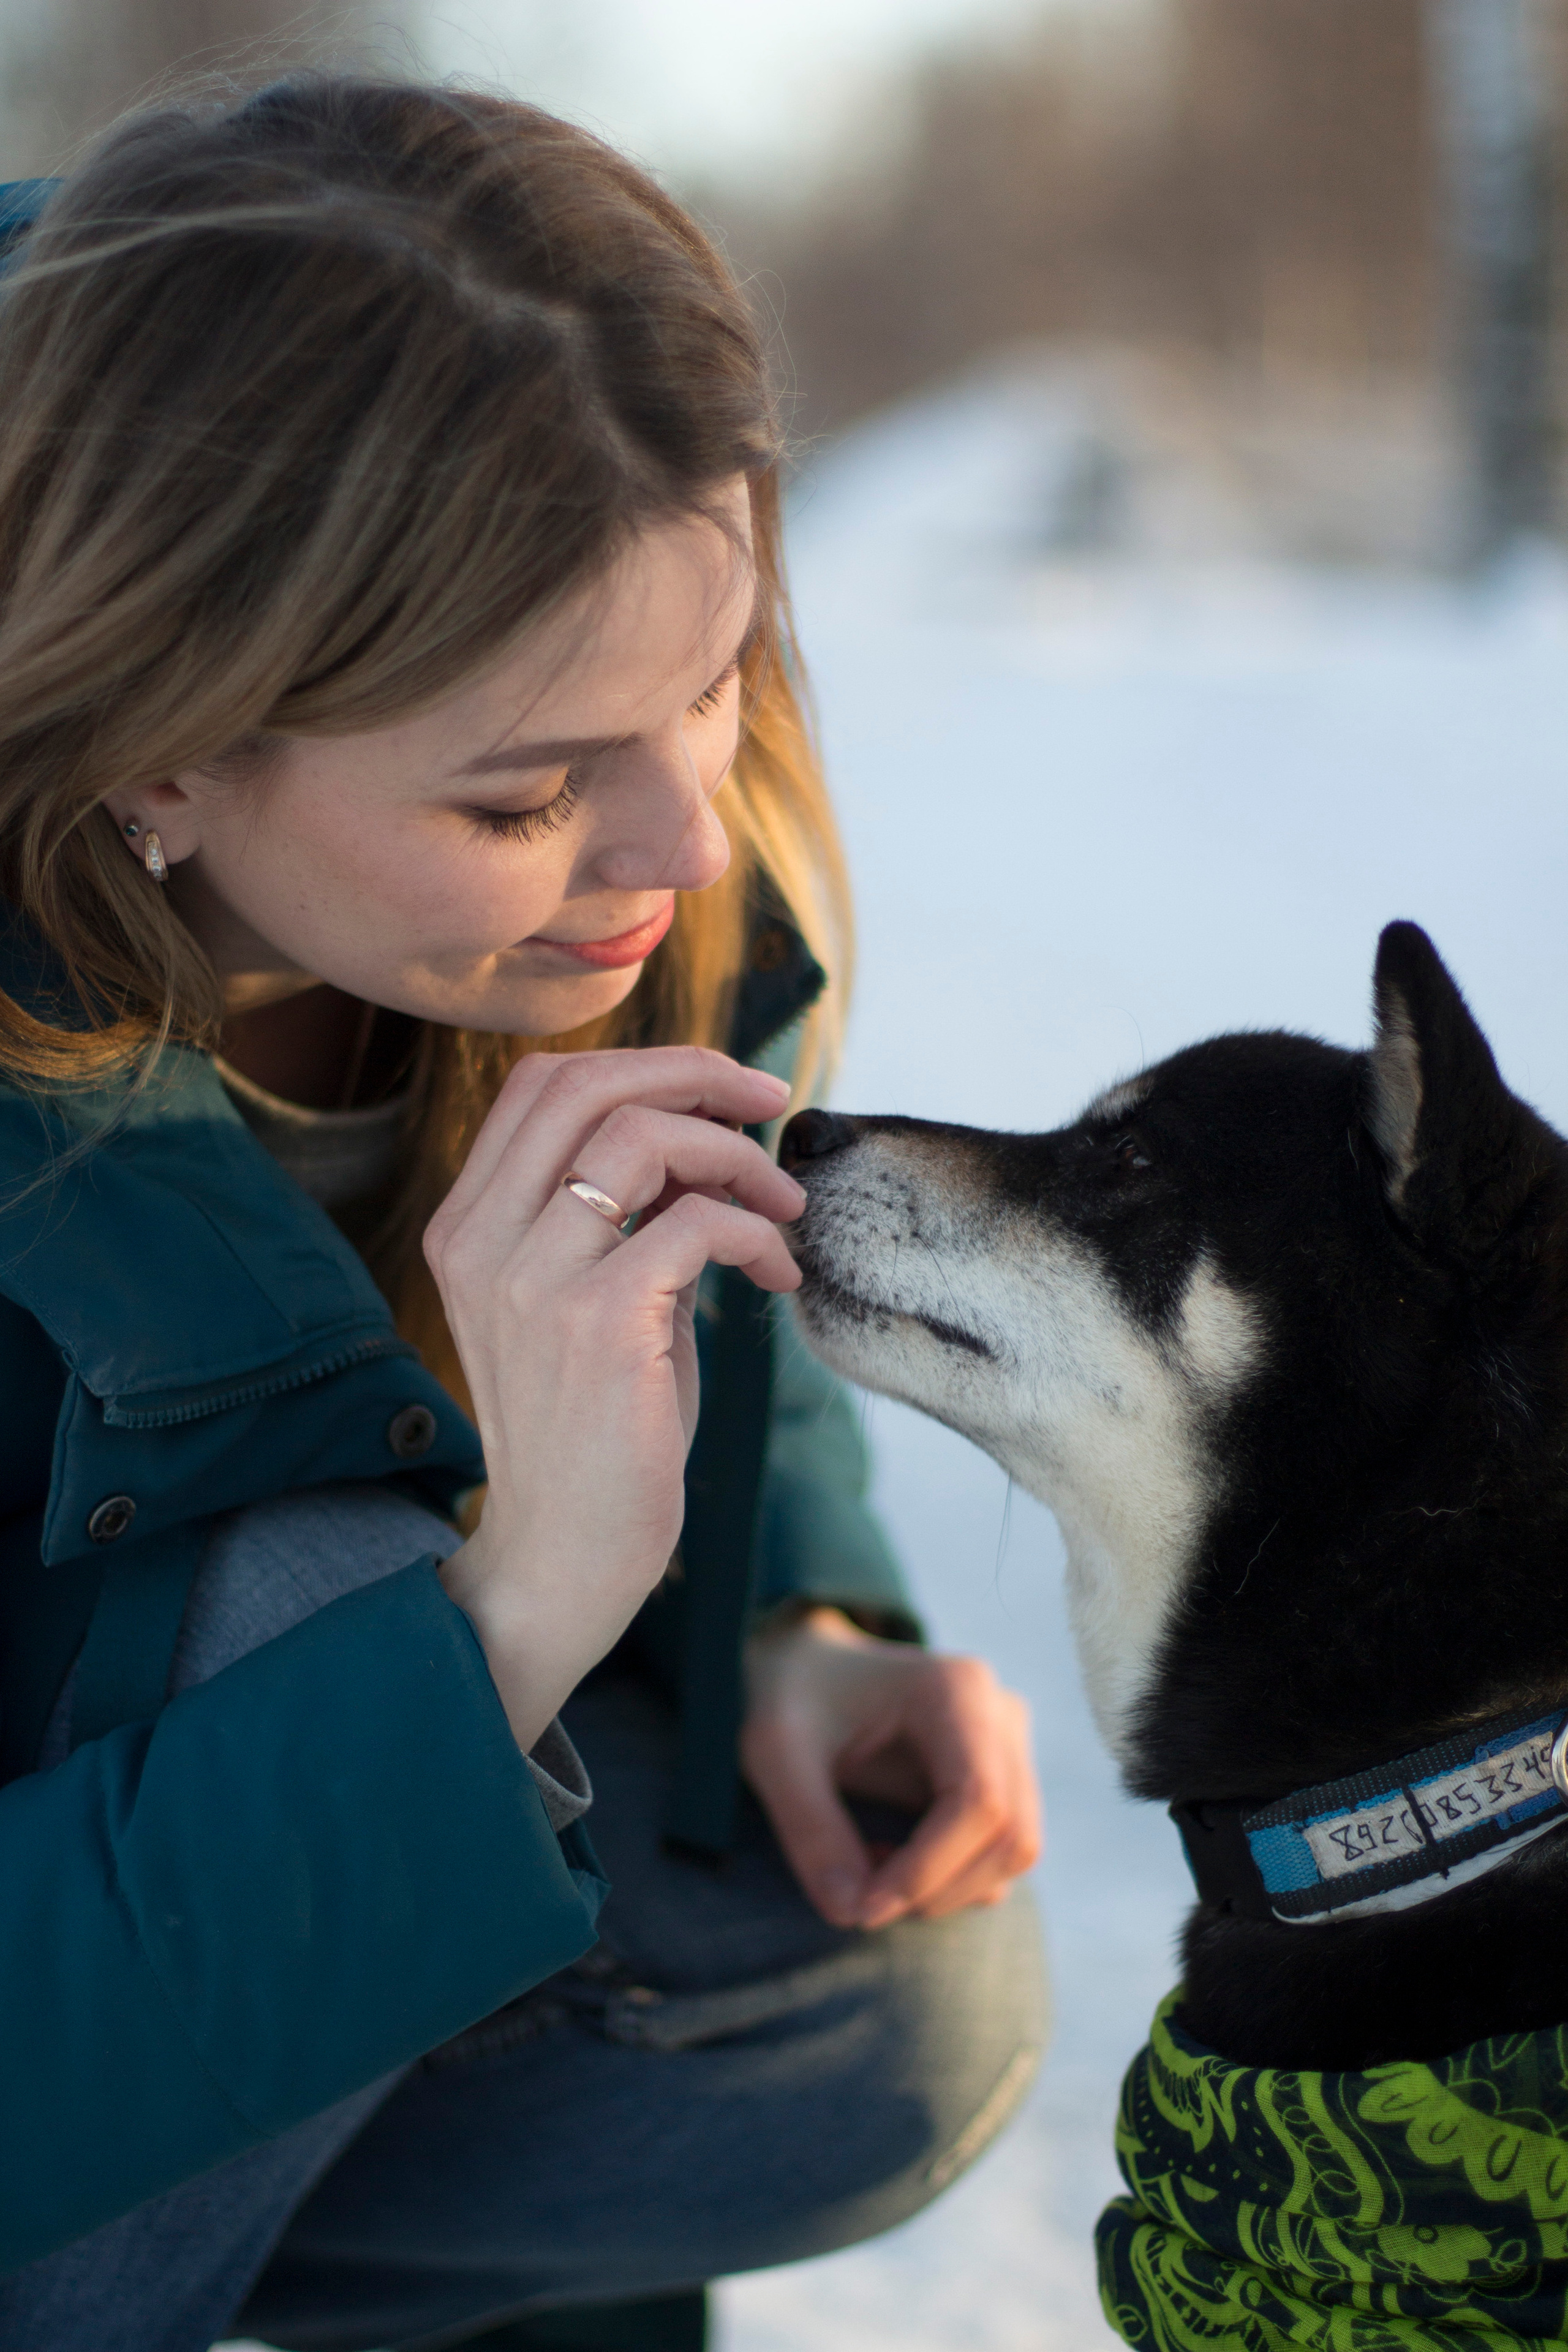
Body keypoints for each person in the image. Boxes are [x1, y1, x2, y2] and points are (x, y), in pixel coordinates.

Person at [0, 77, 1046, 2352]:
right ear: (156, 747)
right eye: (526, 789)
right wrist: (496, 1635)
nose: (685, 839)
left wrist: (797, 1606)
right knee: (318, 1594)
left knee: (871, 2008)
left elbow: (712, 1269)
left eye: (717, 675)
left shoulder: (647, 835)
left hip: (160, 1880)